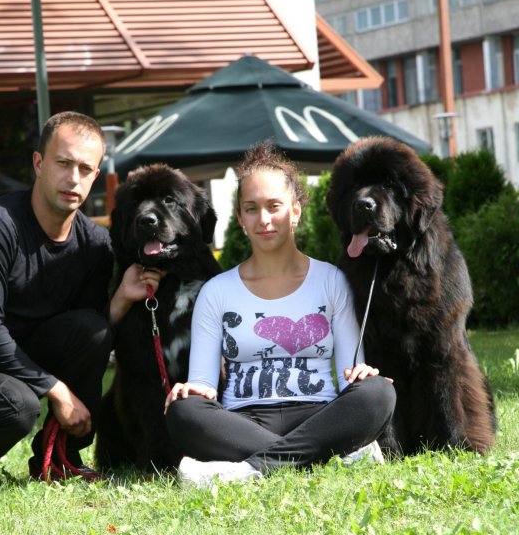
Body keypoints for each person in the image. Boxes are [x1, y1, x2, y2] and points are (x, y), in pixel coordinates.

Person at [0, 111, 159, 495]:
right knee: (17, 406)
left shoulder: (94, 244)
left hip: (16, 358)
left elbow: (86, 337)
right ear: (39, 163)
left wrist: (121, 298)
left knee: (93, 329)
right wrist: (57, 390)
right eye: (63, 163)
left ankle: (58, 459)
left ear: (96, 176)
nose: (73, 178)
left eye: (85, 169)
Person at [164, 141, 396, 487]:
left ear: (295, 210)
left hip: (319, 416)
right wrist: (192, 391)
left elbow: (351, 373)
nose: (264, 219)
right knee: (183, 411)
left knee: (378, 393)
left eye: (274, 206)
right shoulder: (217, 291)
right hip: (243, 422)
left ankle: (246, 471)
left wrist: (362, 376)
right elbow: (204, 385)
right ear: (240, 218)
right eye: (251, 209)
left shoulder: (331, 280)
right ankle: (327, 462)